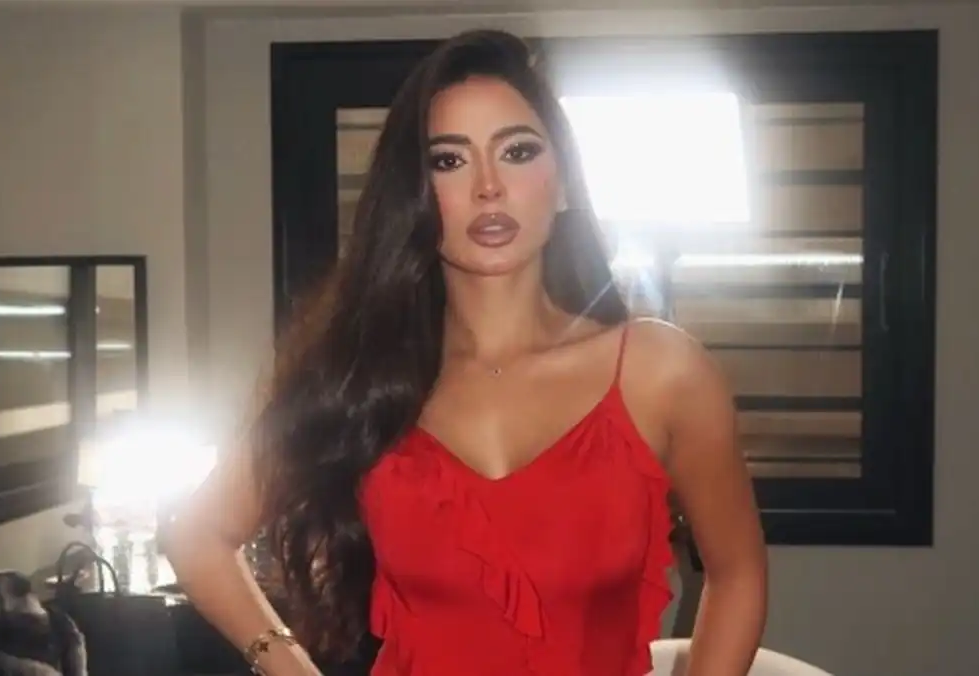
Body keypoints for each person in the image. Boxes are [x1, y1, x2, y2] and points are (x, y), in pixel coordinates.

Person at [163, 28, 767, 676]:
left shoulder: (660, 371)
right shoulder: (361, 374)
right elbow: (197, 535)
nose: (488, 187)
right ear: (416, 197)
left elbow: (738, 572)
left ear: (564, 184)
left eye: (518, 151)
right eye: (449, 160)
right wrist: (285, 664)